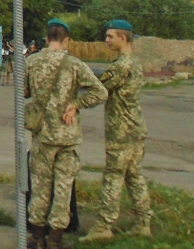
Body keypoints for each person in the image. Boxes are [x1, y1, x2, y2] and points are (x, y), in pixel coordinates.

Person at [26, 19, 107, 249]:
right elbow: (100, 92)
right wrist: (77, 104)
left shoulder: (31, 61)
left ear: (47, 38)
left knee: (40, 186)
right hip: (68, 137)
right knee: (63, 187)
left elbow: (22, 92)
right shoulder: (74, 64)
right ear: (66, 40)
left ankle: (37, 236)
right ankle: (56, 239)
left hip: (42, 136)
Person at [81, 20, 153, 242]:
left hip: (121, 132)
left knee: (113, 177)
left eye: (110, 36)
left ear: (124, 38)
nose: (106, 40)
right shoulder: (134, 62)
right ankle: (143, 222)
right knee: (134, 176)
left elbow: (99, 86)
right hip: (135, 129)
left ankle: (104, 226)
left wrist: (76, 100)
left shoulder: (121, 66)